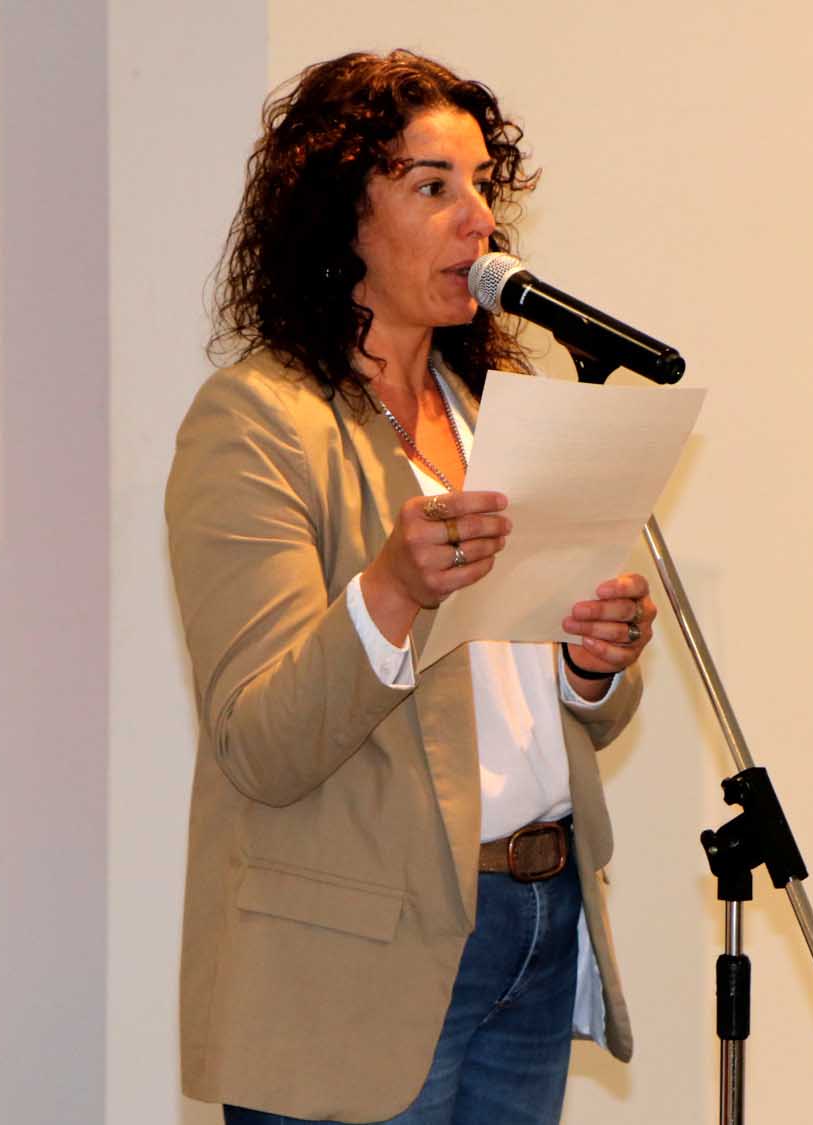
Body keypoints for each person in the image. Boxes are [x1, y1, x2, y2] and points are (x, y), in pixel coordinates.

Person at [165, 50, 652, 1125]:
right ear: (340, 217)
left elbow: (531, 709)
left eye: (482, 184)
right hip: (355, 960)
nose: (479, 221)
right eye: (433, 186)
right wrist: (390, 589)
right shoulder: (257, 422)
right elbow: (259, 741)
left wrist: (587, 667)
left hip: (536, 919)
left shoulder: (494, 410)